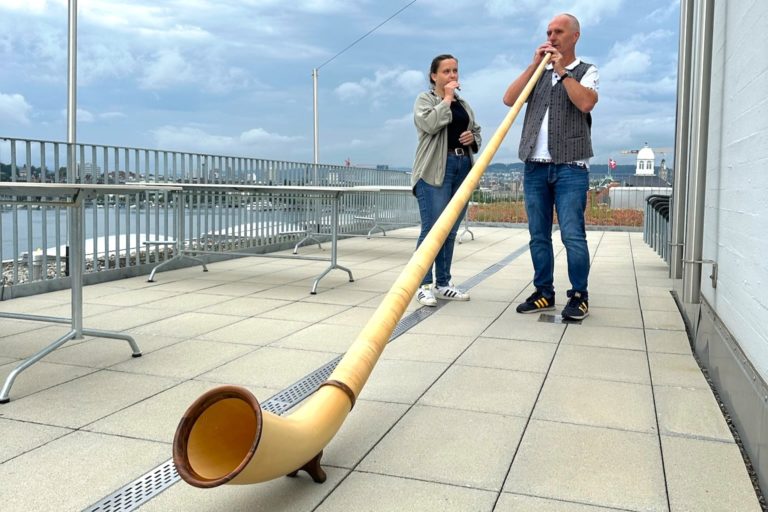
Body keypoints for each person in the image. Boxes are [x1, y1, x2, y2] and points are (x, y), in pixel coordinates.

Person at [502, 13, 598, 320]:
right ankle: (544, 292)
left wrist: (562, 71)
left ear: (574, 36)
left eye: (558, 31)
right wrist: (535, 66)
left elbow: (586, 103)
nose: (551, 36)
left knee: (572, 235)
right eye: (548, 32)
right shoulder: (537, 73)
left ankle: (579, 295)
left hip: (571, 167)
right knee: (538, 234)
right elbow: (509, 99)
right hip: (535, 166)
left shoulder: (587, 70)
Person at [412, 54, 482, 307]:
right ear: (434, 76)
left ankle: (443, 283)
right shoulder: (425, 100)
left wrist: (471, 138)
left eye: (455, 71)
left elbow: (477, 130)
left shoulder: (464, 103)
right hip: (434, 170)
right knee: (432, 229)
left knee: (450, 230)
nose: (452, 76)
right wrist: (448, 99)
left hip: (462, 165)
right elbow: (429, 124)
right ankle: (421, 285)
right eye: (446, 72)